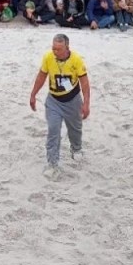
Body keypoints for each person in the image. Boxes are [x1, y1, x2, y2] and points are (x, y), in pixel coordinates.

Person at [28, 34, 90, 176]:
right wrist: (33, 94)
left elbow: (85, 83)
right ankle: (52, 163)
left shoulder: (76, 60)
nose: (55, 52)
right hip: (54, 101)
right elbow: (41, 76)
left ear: (67, 47)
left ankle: (76, 148)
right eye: (53, 48)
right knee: (53, 131)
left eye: (58, 49)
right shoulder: (48, 57)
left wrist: (86, 103)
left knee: (75, 129)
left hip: (73, 100)